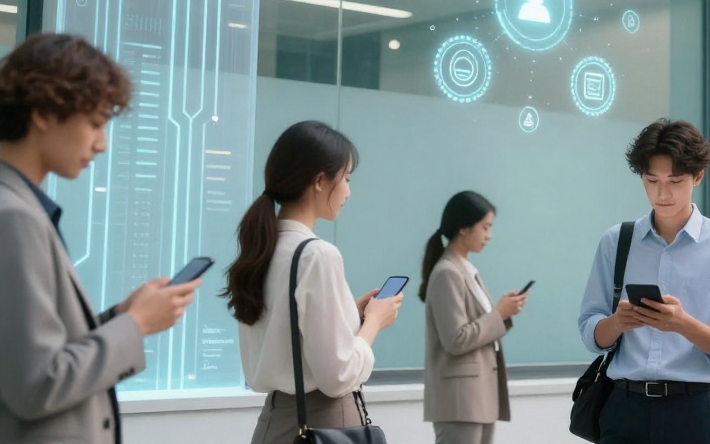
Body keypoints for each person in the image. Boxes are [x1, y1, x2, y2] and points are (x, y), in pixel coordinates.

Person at [0, 33, 200, 443]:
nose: (101, 144)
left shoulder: (2, 204)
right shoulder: (12, 218)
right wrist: (137, 323)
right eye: (96, 124)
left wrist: (119, 316)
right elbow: (37, 383)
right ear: (44, 112)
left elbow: (27, 353)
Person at [225, 121, 402, 444]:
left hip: (272, 424)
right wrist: (374, 322)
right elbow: (338, 375)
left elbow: (287, 336)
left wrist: (351, 316)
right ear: (320, 181)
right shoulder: (317, 255)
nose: (348, 191)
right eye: (346, 179)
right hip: (326, 424)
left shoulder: (262, 248)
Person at [577, 118, 710, 444]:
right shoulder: (616, 242)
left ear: (698, 176)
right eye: (652, 180)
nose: (662, 193)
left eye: (675, 181)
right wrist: (617, 323)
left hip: (693, 411)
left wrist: (683, 324)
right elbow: (590, 330)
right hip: (623, 408)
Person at [420, 190, 528, 444]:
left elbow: (478, 328)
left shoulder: (467, 269)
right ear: (463, 228)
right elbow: (455, 339)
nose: (489, 236)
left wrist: (504, 314)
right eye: (485, 227)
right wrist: (499, 314)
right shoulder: (447, 272)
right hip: (459, 401)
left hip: (478, 398)